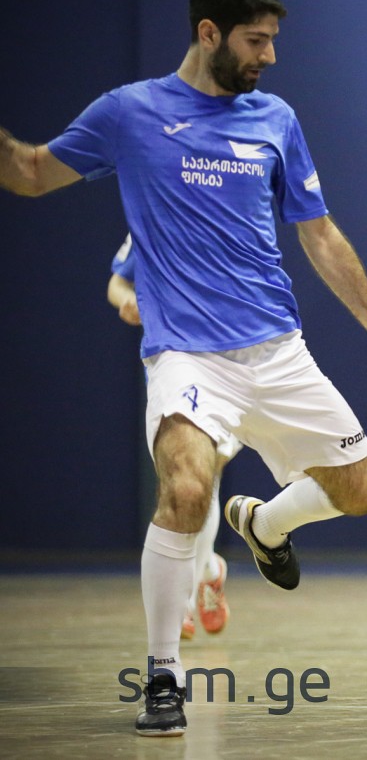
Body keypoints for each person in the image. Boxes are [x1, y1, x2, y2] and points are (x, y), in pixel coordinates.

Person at [1, 0, 367, 737]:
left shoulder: (276, 120)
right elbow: (30, 172)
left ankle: (264, 526)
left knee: (365, 488)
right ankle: (163, 675)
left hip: (278, 352)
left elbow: (320, 235)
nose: (270, 55)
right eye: (256, 41)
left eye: (272, 40)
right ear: (209, 33)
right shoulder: (129, 113)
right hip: (188, 357)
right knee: (187, 491)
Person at [109, 234, 233, 641]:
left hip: (231, 364)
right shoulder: (148, 218)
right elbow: (117, 283)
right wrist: (128, 300)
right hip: (170, 368)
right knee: (184, 482)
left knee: (204, 476)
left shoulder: (233, 216)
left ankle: (184, 602)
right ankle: (209, 570)